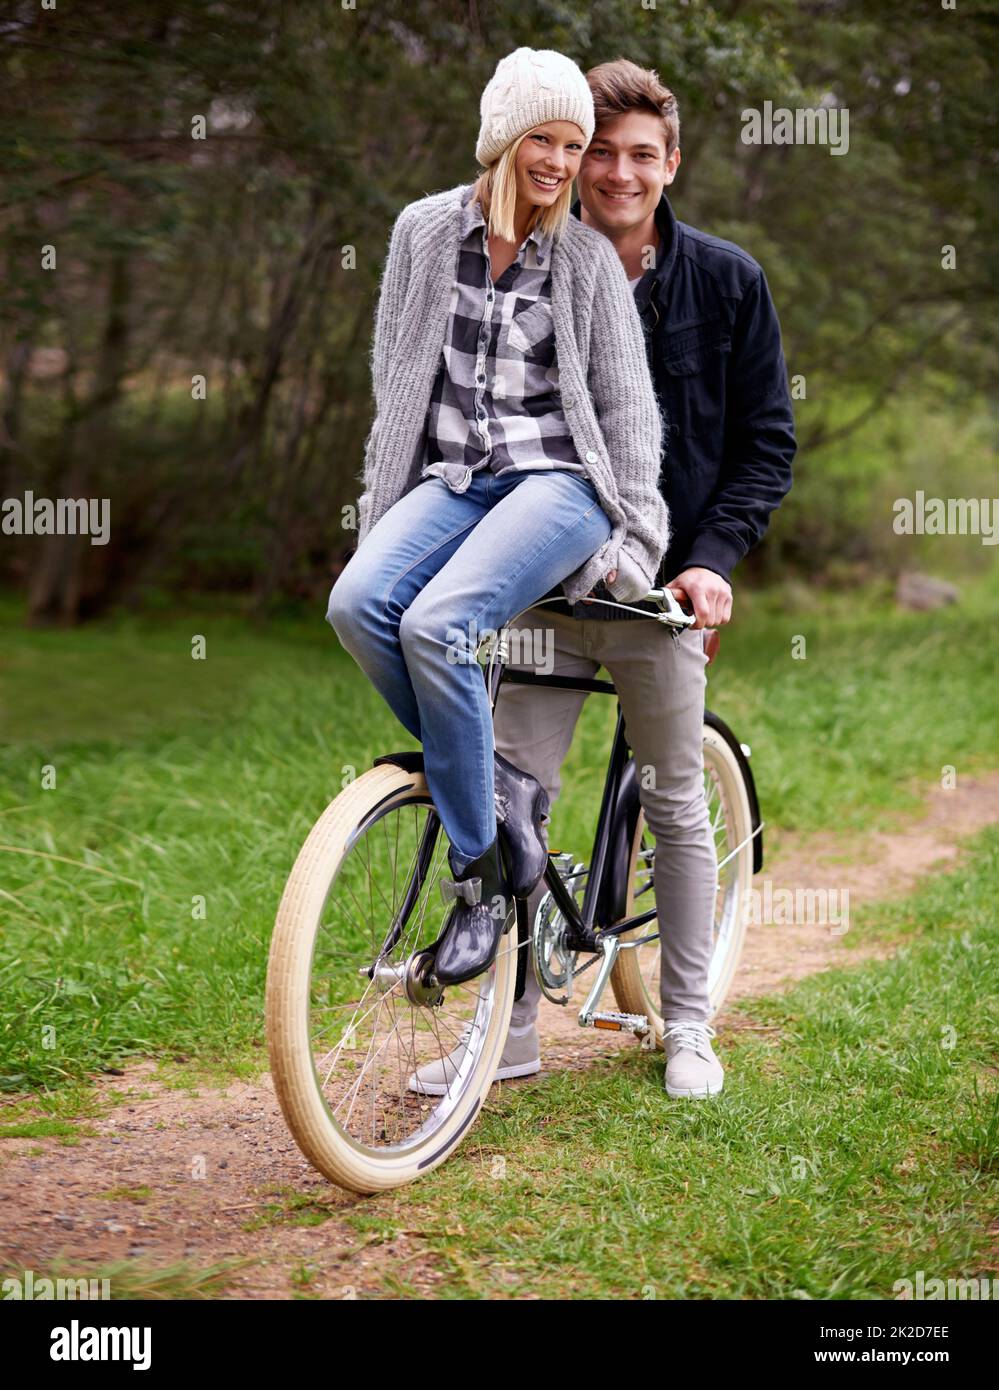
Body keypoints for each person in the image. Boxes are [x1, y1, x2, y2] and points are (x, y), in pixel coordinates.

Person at [410, 58, 796, 1098]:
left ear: (670, 164)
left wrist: (711, 562)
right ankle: (511, 1032)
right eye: (599, 156)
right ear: (571, 166)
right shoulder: (527, 263)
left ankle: (686, 1026)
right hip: (541, 582)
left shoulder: (725, 283)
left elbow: (766, 444)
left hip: (655, 593)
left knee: (676, 796)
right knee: (513, 795)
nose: (616, 175)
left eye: (640, 156)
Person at [327, 48, 670, 989]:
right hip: (454, 475)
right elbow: (395, 380)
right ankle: (499, 790)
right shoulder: (423, 233)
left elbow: (629, 410)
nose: (561, 163)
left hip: (559, 485)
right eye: (544, 140)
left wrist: (634, 539)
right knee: (359, 606)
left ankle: (480, 882)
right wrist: (382, 505)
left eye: (573, 144)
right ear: (501, 138)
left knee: (443, 625)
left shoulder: (588, 260)